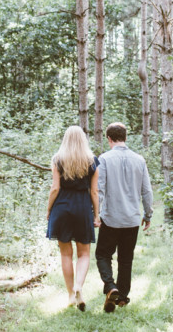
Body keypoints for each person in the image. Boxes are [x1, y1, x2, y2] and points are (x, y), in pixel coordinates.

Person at [95, 121, 153, 312]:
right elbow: (146, 191)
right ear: (125, 138)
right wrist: (148, 214)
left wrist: (96, 214)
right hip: (131, 219)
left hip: (111, 218)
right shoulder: (140, 160)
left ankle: (111, 287)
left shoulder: (103, 159)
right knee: (126, 259)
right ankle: (122, 297)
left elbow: (99, 190)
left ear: (109, 139)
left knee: (103, 254)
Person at [46, 125, 99, 311]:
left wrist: (49, 210)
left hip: (62, 208)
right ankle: (79, 287)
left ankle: (70, 294)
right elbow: (94, 191)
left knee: (65, 254)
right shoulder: (92, 161)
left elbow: (55, 189)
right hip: (82, 207)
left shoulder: (58, 160)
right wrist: (97, 215)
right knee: (84, 253)